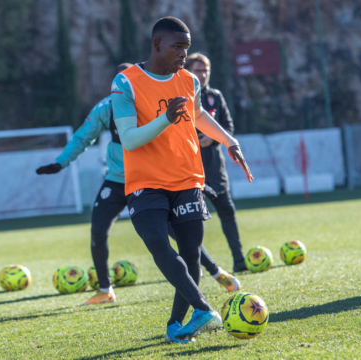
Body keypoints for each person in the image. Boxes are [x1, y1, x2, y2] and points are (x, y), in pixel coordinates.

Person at [36, 64, 242, 306]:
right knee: (98, 229)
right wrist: (61, 163)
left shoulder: (153, 99)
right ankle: (105, 289)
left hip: (151, 181)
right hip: (116, 180)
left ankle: (217, 273)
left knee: (178, 235)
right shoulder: (107, 107)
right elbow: (84, 136)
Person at [111, 17, 253, 343]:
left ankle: (176, 324)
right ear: (157, 43)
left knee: (191, 254)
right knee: (158, 242)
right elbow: (130, 139)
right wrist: (165, 118)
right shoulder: (126, 82)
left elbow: (199, 115)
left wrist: (230, 141)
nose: (184, 55)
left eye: (186, 48)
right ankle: (203, 309)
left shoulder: (189, 81)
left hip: (187, 178)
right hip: (146, 182)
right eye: (178, 47)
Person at [185, 53, 246, 272]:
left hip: (215, 168)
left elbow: (228, 127)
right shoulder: (182, 96)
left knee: (227, 212)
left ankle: (239, 260)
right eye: (198, 70)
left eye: (205, 70)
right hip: (190, 171)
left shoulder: (215, 97)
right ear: (188, 72)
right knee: (193, 222)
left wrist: (213, 137)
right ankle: (197, 267)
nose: (202, 75)